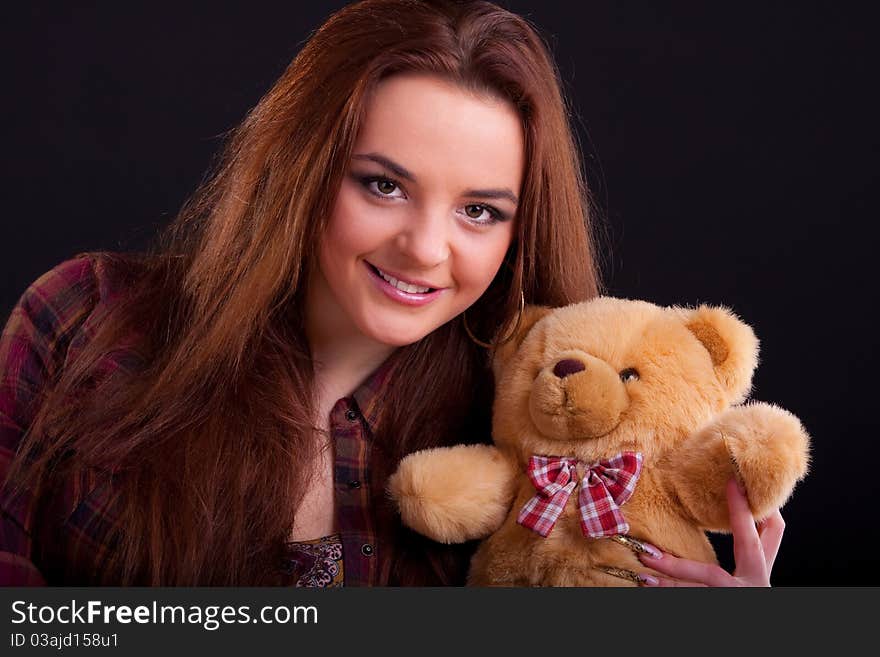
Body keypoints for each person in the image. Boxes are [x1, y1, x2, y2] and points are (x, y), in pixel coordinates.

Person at [0, 0, 784, 586]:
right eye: (383, 185)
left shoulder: (529, 432)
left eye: (479, 210)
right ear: (305, 170)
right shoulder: (86, 318)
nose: (425, 248)